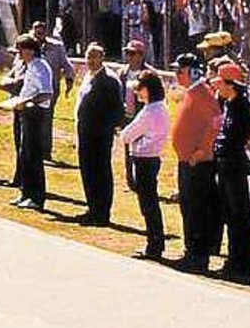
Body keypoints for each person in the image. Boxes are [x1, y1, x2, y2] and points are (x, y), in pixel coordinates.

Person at [210, 61, 250, 283]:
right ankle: (234, 260)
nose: (217, 87)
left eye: (220, 83)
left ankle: (244, 264)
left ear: (230, 84)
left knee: (241, 215)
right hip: (226, 165)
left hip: (236, 166)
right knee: (231, 214)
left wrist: (246, 145)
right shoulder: (229, 104)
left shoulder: (242, 106)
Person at [170, 53, 222, 271]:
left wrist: (201, 151)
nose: (176, 75)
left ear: (191, 71)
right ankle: (191, 251)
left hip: (197, 163)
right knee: (189, 207)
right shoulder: (192, 93)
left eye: (179, 71)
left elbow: (215, 123)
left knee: (196, 209)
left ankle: (198, 256)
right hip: (187, 160)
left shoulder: (203, 93)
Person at [119, 71, 169, 259]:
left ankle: (154, 245)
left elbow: (127, 135)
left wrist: (127, 134)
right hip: (151, 157)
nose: (137, 93)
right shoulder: (159, 107)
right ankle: (155, 241)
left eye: (140, 89)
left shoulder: (150, 111)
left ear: (148, 89)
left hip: (144, 159)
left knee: (148, 203)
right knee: (149, 202)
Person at [73, 43, 124, 226]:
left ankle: (102, 213)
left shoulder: (108, 79)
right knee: (88, 172)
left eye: (95, 57)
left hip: (99, 135)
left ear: (102, 57)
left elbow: (116, 109)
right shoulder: (88, 76)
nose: (91, 61)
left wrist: (108, 130)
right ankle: (92, 208)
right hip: (85, 132)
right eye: (89, 57)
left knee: (100, 172)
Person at [8, 35, 53, 211]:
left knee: (33, 155)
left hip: (35, 113)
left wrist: (26, 102)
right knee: (24, 154)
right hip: (26, 112)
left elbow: (46, 93)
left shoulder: (39, 66)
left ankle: (36, 196)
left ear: (30, 50)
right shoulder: (30, 65)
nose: (18, 53)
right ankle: (25, 192)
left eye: (21, 49)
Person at [30, 21, 74, 162]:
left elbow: (66, 65)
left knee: (46, 119)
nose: (39, 34)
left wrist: (69, 80)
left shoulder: (56, 47)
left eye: (42, 32)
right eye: (37, 31)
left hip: (50, 89)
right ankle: (32, 148)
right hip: (32, 89)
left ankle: (45, 151)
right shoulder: (28, 46)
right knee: (30, 118)